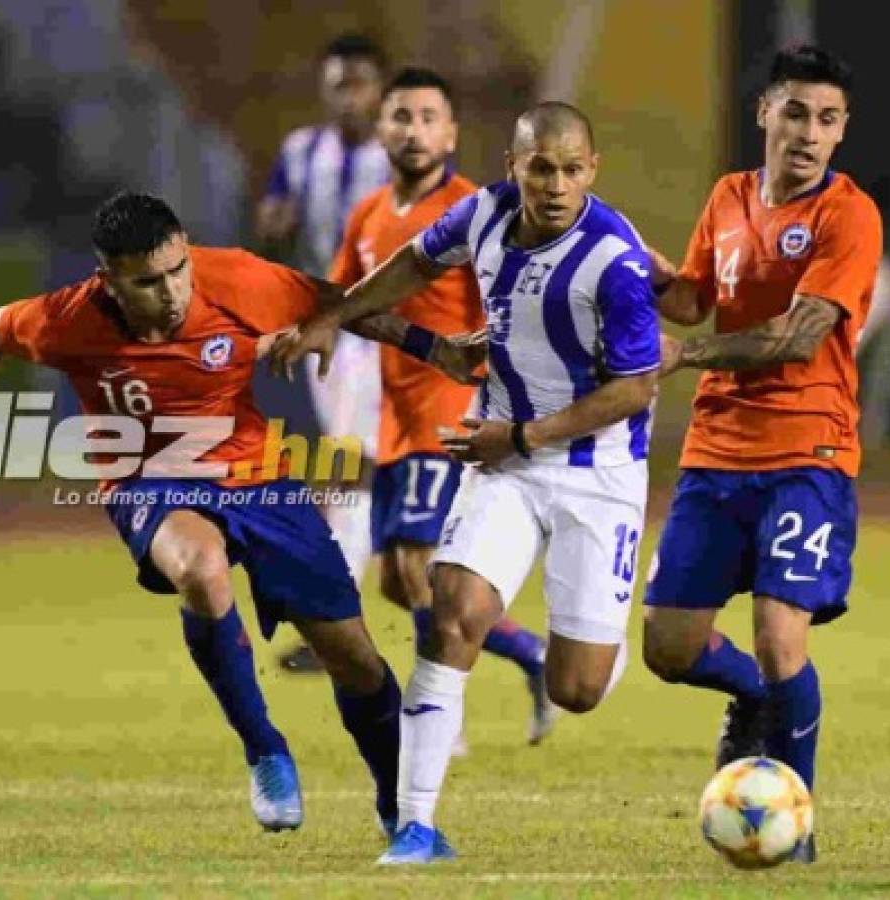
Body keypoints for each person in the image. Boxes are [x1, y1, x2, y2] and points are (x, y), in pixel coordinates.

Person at [0, 192, 481, 837]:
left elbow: (339, 302)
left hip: (258, 475)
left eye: (177, 270)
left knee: (354, 660)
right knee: (201, 572)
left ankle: (395, 804)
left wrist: (436, 350)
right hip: (148, 479)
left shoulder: (235, 277)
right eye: (147, 282)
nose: (172, 291)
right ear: (109, 279)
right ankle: (265, 748)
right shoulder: (67, 319)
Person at [270, 101, 662, 864]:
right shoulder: (482, 213)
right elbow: (416, 263)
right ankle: (415, 827)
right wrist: (336, 316)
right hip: (504, 463)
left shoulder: (613, 261)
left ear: (593, 170)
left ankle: (606, 624)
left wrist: (519, 435)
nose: (555, 184)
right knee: (449, 611)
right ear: (513, 166)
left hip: (595, 473)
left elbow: (635, 390)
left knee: (577, 688)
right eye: (540, 167)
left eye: (572, 169)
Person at [641, 45, 883, 864]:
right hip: (717, 450)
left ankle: (795, 816)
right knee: (668, 649)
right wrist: (636, 273)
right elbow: (693, 298)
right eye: (795, 113)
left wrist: (687, 355)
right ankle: (750, 698)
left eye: (827, 119)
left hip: (808, 448)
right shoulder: (727, 197)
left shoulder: (849, 215)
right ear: (764, 116)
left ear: (842, 130)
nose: (810, 133)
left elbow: (801, 333)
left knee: (783, 633)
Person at [330, 66, 555, 749]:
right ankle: (531, 655)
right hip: (395, 414)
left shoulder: (477, 211)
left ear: (452, 132)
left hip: (454, 409)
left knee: (421, 563)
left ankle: (438, 715)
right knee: (401, 581)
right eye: (402, 116)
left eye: (430, 117)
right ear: (381, 129)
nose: (415, 130)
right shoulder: (368, 215)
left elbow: (519, 300)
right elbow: (345, 299)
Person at [256, 33, 391, 674]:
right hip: (321, 328)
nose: (349, 95)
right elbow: (274, 219)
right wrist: (273, 223)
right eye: (339, 83)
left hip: (379, 331)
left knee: (350, 466)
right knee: (355, 468)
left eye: (360, 82)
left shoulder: (400, 156)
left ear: (381, 89)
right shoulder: (301, 150)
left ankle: (338, 621)